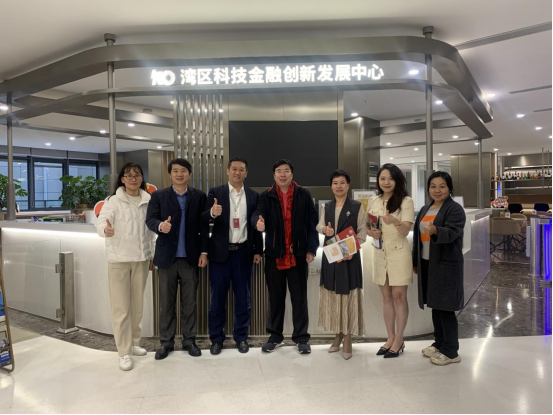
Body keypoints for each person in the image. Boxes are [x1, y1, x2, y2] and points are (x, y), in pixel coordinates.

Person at [253, 159, 319, 355]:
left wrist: (311, 248)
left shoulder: (303, 194)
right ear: (274, 175)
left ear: (292, 174)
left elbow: (312, 223)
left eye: (286, 171)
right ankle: (275, 337)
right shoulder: (266, 195)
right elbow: (257, 214)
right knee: (275, 298)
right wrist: (258, 222)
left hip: (298, 255)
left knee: (299, 299)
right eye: (279, 171)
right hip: (275, 255)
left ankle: (301, 338)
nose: (283, 174)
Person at [146, 159, 208, 361]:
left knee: (189, 304)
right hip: (166, 259)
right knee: (166, 304)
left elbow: (204, 226)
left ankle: (189, 340)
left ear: (189, 174)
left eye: (183, 171)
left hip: (191, 258)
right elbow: (150, 219)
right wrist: (160, 226)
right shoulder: (158, 196)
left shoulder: (199, 196)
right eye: (175, 171)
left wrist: (204, 252)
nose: (179, 174)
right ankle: (166, 342)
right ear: (170, 174)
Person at [97, 163, 156, 371]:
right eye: (129, 175)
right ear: (122, 179)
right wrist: (105, 230)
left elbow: (150, 233)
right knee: (121, 308)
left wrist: (151, 255)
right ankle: (123, 351)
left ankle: (134, 343)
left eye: (137, 175)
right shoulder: (113, 201)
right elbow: (102, 222)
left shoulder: (148, 200)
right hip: (119, 260)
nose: (133, 179)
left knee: (137, 306)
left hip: (141, 259)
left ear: (142, 178)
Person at [202, 157, 263, 355]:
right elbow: (202, 218)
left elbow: (256, 224)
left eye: (241, 169)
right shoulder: (215, 192)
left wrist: (258, 250)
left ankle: (241, 337)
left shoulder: (253, 196)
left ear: (246, 173)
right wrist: (212, 213)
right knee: (217, 300)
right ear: (228, 171)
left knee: (243, 299)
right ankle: (216, 339)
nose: (238, 172)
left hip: (243, 253)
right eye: (234, 169)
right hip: (220, 255)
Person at [413, 171, 466, 366]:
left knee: (446, 308)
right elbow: (418, 239)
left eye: (442, 186)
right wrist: (416, 261)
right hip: (428, 263)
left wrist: (436, 230)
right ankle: (439, 343)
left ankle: (451, 351)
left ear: (449, 188)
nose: (437, 190)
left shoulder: (455, 209)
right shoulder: (425, 209)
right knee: (435, 306)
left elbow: (453, 232)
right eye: (433, 186)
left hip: (446, 264)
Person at [318, 170, 367, 360]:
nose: (339, 186)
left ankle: (348, 337)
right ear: (331, 186)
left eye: (342, 182)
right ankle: (337, 334)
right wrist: (324, 229)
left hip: (349, 259)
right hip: (331, 257)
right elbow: (319, 225)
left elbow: (362, 233)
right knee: (334, 296)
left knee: (348, 296)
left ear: (348, 185)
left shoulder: (356, 206)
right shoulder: (326, 206)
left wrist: (349, 251)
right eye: (335, 183)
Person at [367, 164, 415, 359]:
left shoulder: (406, 201)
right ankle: (390, 337)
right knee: (386, 297)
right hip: (379, 254)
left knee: (398, 296)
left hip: (399, 254)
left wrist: (394, 221)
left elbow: (405, 231)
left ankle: (399, 339)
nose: (386, 182)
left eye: (390, 178)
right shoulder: (373, 200)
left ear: (397, 180)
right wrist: (371, 232)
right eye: (382, 178)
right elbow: (368, 227)